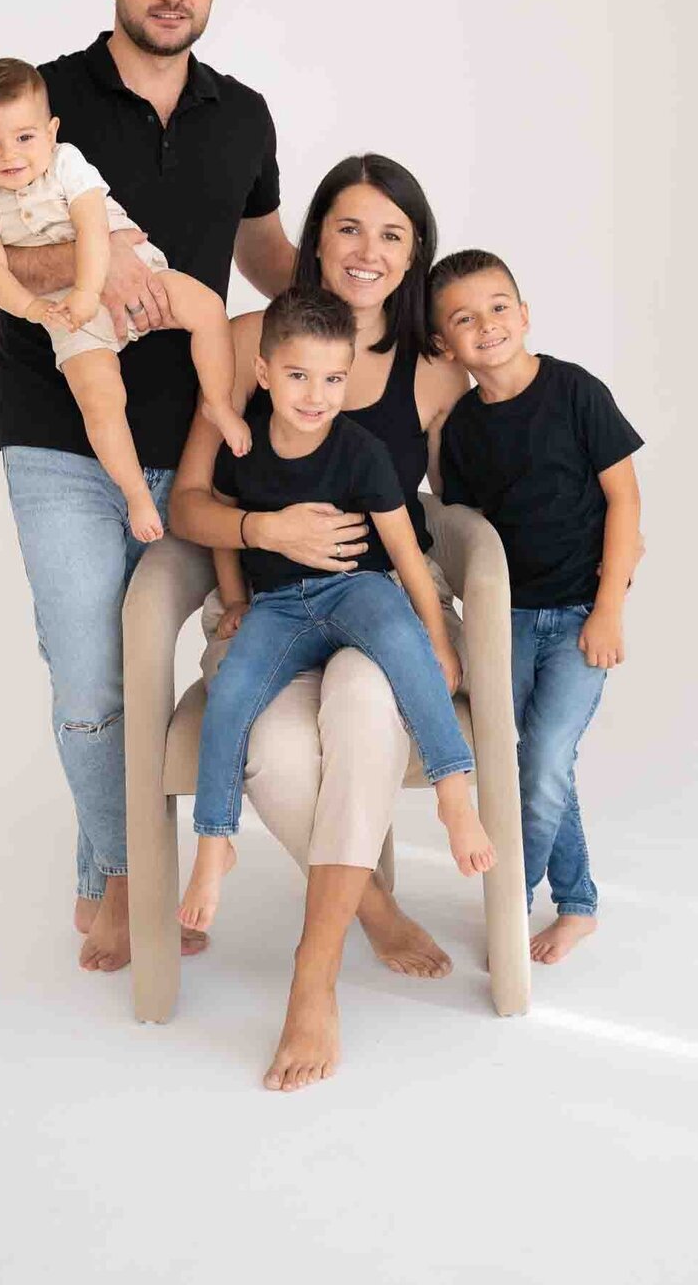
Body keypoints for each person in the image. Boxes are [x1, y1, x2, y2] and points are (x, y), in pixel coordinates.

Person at [0, 0, 296, 973]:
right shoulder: (38, 103)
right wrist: (90, 263)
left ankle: (113, 879)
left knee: (239, 658)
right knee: (92, 675)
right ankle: (128, 870)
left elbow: (268, 263)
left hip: (210, 450)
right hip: (62, 438)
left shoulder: (245, 116)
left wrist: (374, 292)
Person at [169, 154, 471, 1092]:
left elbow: (463, 515)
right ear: (315, 237)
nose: (367, 251)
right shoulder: (250, 337)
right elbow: (191, 501)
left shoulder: (434, 368)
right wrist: (265, 532)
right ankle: (371, 908)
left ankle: (313, 976)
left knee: (361, 705)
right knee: (274, 754)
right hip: (270, 605)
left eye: (391, 234)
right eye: (348, 227)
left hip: (379, 605)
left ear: (414, 253)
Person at [178, 286, 495, 933]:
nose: (315, 395)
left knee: (404, 642)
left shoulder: (359, 450)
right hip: (277, 607)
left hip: (358, 588)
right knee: (231, 691)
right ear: (263, 372)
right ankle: (214, 842)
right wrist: (234, 600)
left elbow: (404, 550)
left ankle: (453, 795)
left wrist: (437, 638)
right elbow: (223, 528)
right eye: (297, 376)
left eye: (332, 379)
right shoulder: (244, 447)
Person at [429, 249, 643, 965]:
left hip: (583, 613)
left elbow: (625, 500)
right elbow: (469, 536)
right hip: (509, 622)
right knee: (534, 761)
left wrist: (608, 609)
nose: (486, 325)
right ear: (445, 344)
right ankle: (578, 904)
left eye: (497, 308)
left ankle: (510, 904)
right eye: (464, 319)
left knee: (547, 758)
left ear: (523, 314)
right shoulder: (463, 429)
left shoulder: (576, 391)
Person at [0, 56, 250, 542]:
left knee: (207, 308)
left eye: (25, 138)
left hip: (135, 271)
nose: (10, 155)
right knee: (99, 400)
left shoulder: (66, 163)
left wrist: (89, 290)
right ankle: (136, 495)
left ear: (51, 132)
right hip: (67, 312)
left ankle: (217, 403)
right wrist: (31, 308)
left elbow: (93, 228)